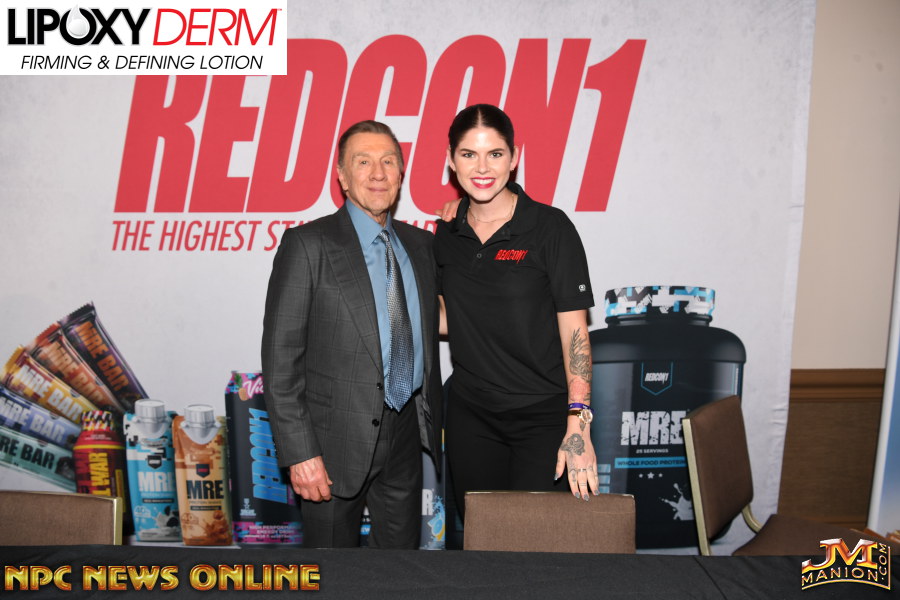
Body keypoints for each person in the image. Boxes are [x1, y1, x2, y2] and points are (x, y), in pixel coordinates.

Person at [262, 120, 442, 548]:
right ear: (342, 176)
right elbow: (281, 361)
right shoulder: (308, 245)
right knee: (330, 573)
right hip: (330, 445)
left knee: (400, 569)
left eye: (388, 162)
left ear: (401, 173)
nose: (378, 173)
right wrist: (300, 453)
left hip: (405, 435)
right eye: (363, 162)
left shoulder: (422, 246)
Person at [434, 104, 598, 517]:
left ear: (514, 157)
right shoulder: (446, 231)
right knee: (480, 536)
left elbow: (575, 332)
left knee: (535, 541)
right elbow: (452, 318)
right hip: (471, 415)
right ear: (451, 161)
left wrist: (578, 422)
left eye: (495, 153)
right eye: (469, 154)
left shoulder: (550, 228)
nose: (482, 167)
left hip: (542, 417)